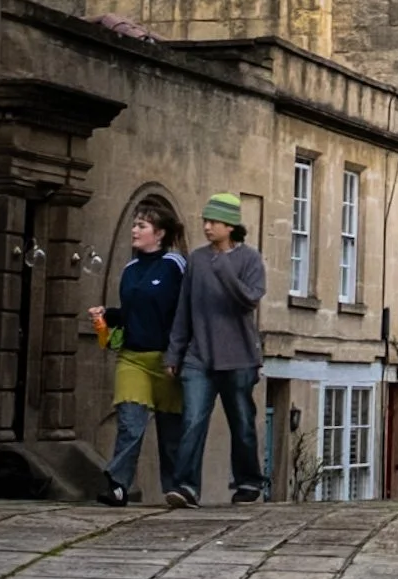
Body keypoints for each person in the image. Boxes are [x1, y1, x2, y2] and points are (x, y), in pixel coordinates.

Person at [162, 193, 269, 507]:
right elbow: (184, 308)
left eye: (213, 222)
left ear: (230, 225)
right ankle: (185, 487)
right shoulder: (196, 259)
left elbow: (248, 299)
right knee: (192, 420)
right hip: (199, 356)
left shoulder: (250, 259)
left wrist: (224, 268)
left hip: (239, 358)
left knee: (242, 423)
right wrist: (174, 353)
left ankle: (248, 483)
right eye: (205, 222)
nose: (207, 227)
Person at [89, 205, 187, 507]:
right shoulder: (130, 270)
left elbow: (183, 312)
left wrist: (178, 354)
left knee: (171, 432)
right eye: (134, 224)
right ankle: (118, 486)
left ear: (159, 234)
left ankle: (177, 489)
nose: (134, 230)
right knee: (129, 424)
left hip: (166, 359)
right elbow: (132, 313)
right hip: (132, 357)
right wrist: (109, 315)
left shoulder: (175, 265)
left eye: (141, 225)